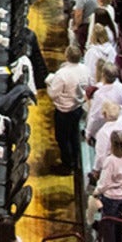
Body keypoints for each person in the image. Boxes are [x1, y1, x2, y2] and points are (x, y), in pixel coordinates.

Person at [45, 46, 90, 174]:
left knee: (63, 138)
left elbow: (53, 94)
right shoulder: (85, 69)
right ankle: (75, 161)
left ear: (66, 56)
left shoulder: (62, 74)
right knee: (73, 135)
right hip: (78, 108)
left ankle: (67, 165)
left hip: (64, 111)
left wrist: (48, 83)